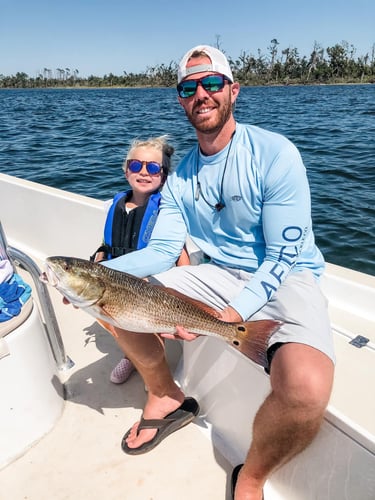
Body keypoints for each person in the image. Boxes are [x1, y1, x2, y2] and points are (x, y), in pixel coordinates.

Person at [102, 45, 335, 500]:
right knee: (110, 296)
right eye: (190, 87)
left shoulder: (275, 153)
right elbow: (164, 250)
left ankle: (249, 479)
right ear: (180, 99)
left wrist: (236, 312)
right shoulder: (181, 177)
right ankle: (166, 396)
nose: (201, 94)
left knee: (305, 388)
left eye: (211, 83)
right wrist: (98, 272)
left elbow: (287, 252)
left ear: (233, 90)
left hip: (285, 275)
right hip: (217, 273)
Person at [91, 135, 189, 384]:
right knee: (117, 325)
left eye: (153, 168)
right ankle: (131, 357)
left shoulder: (167, 210)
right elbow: (107, 243)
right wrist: (99, 258)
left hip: (150, 285)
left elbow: (178, 252)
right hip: (115, 283)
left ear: (163, 176)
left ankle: (154, 371)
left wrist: (181, 288)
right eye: (136, 166)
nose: (144, 172)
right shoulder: (116, 204)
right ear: (126, 171)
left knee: (148, 329)